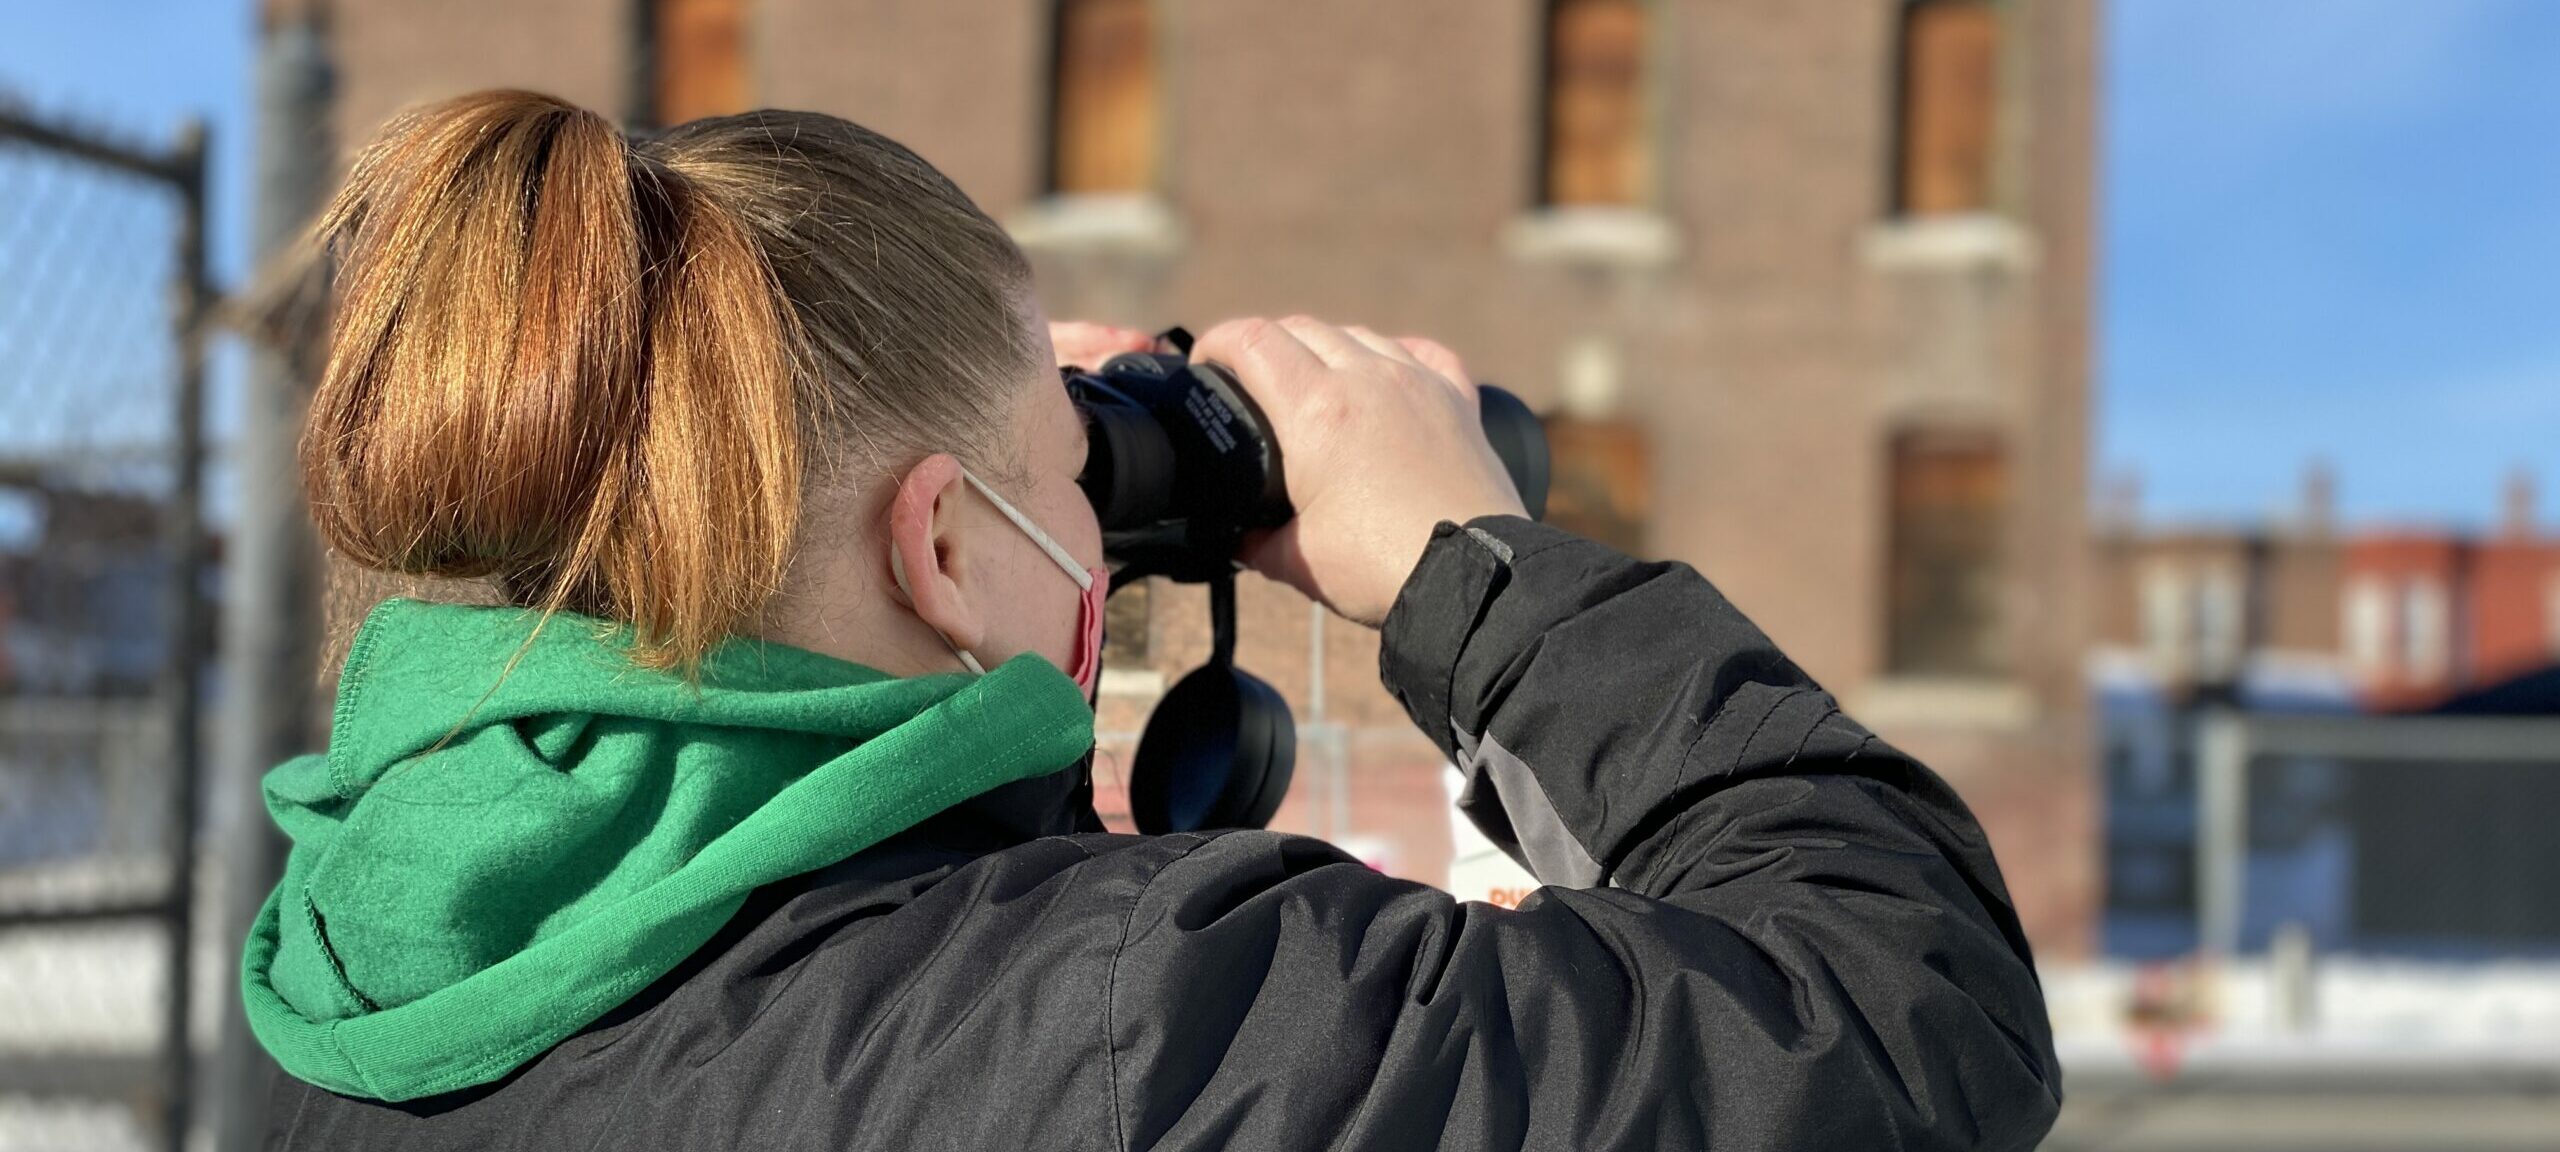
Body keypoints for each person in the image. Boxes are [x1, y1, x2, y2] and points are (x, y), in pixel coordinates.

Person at [242, 90, 2061, 1151]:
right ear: (944, 551)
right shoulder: (1152, 1023)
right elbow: (1909, 1015)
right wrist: (1469, 557)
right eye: (1068, 473)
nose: (1096, 540)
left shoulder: (348, 979)